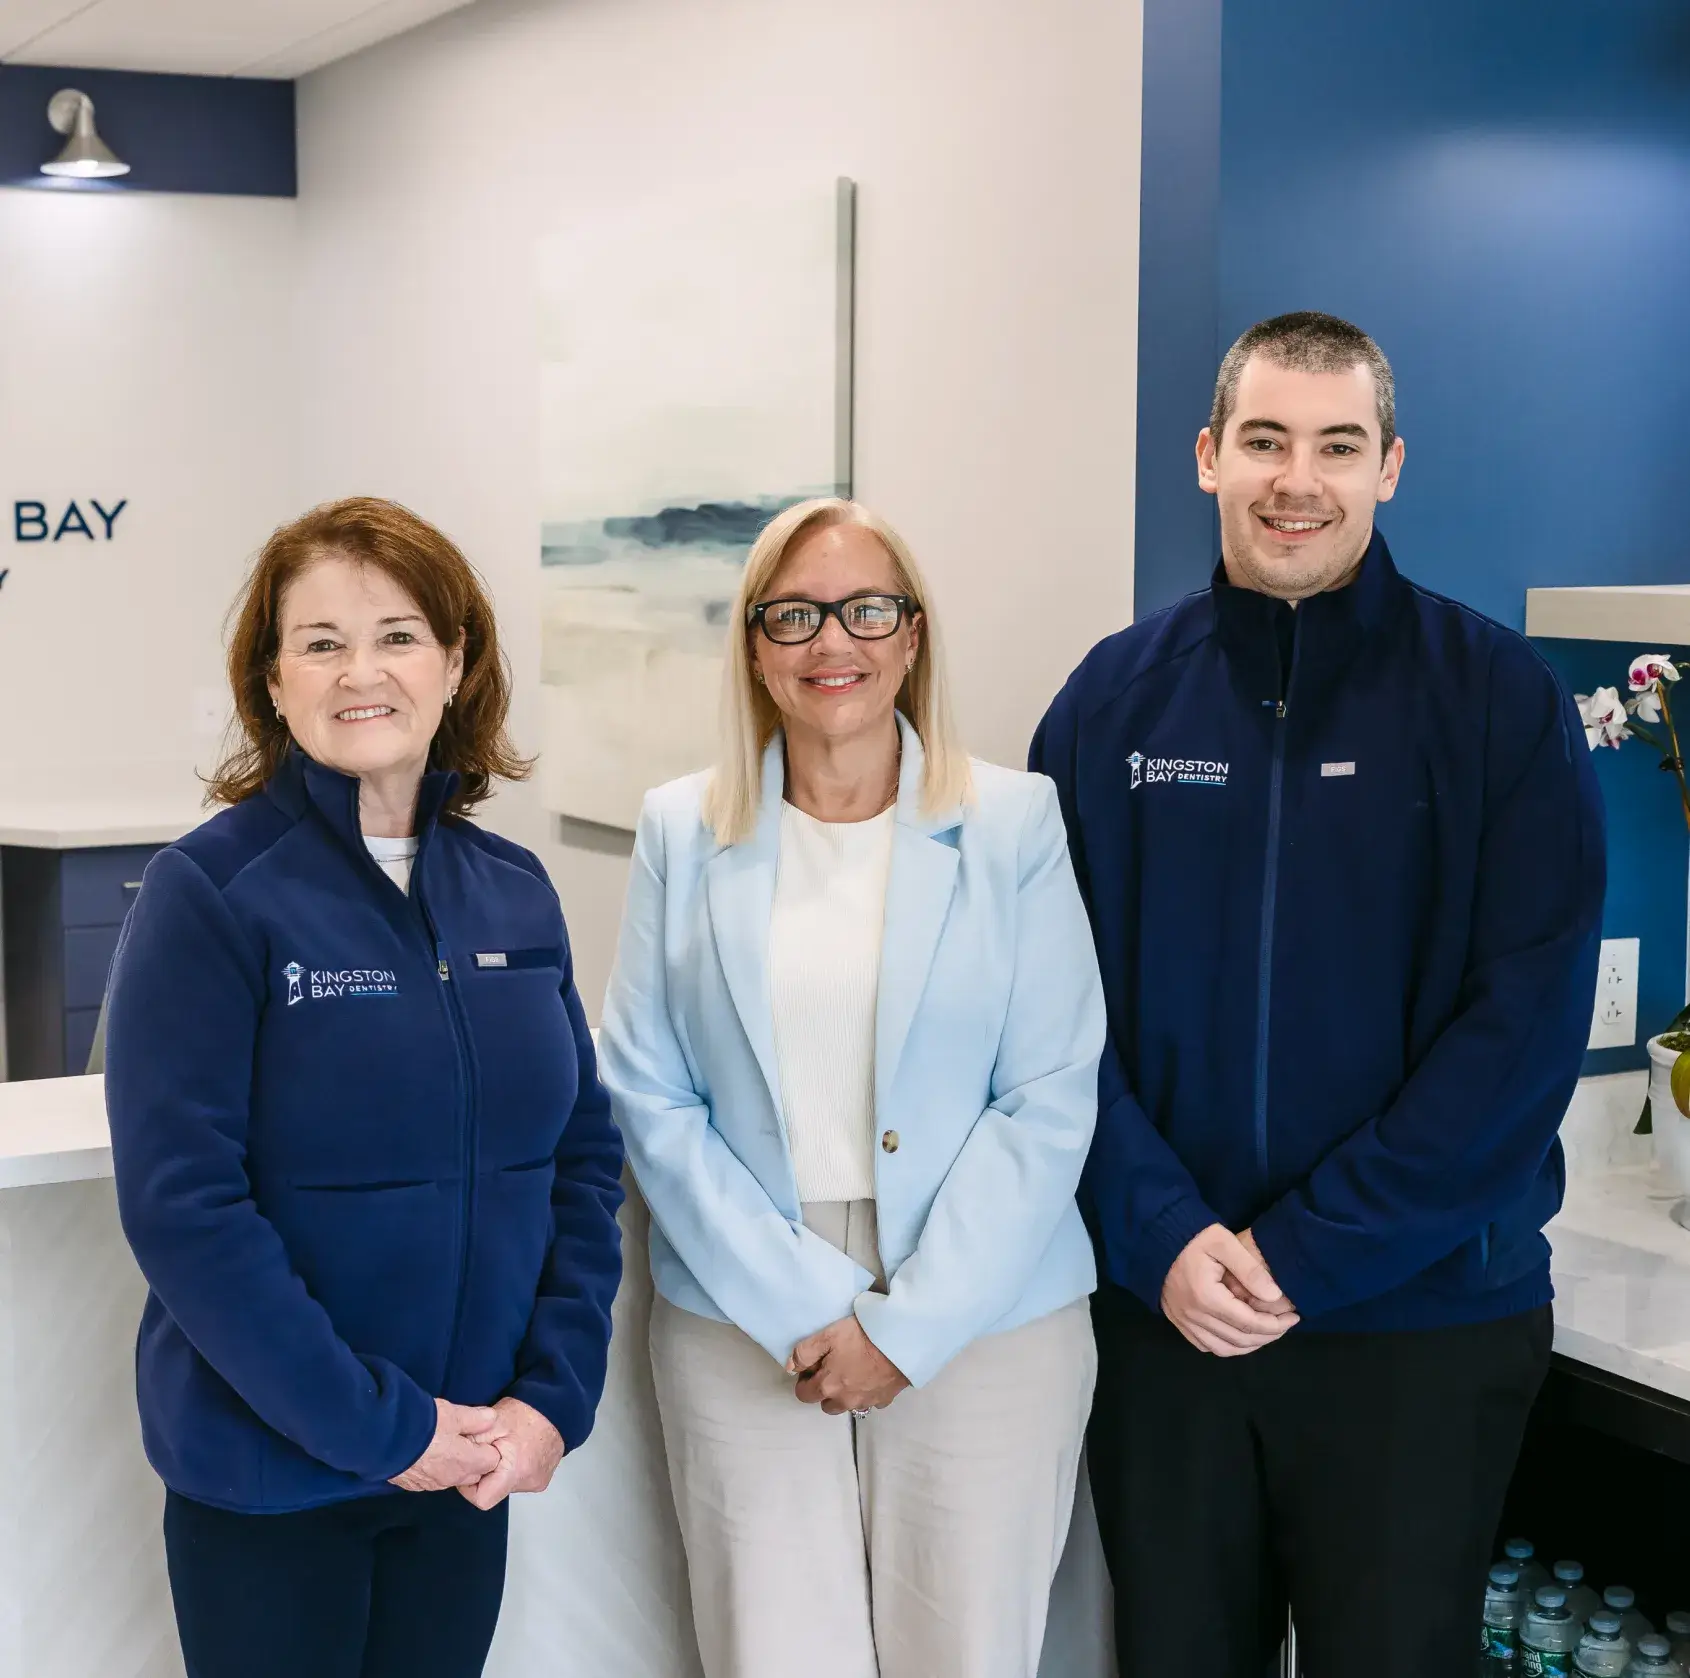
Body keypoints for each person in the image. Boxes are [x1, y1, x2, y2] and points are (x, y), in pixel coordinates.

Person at [1031, 312, 1605, 1678]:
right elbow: (1040, 1017)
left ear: (1389, 466)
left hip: (1420, 1323)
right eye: (1265, 440)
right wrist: (1162, 1232)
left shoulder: (1495, 700)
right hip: (1166, 1319)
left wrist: (1308, 1250)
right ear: (1205, 457)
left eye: (1337, 444)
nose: (1299, 477)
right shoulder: (1110, 705)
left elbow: (1520, 1028)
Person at [104, 497, 625, 1678]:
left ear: (457, 661)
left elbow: (581, 1165)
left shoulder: (515, 890)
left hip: (468, 1462)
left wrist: (550, 1397)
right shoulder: (213, 892)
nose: (360, 672)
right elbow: (185, 1207)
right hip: (274, 1476)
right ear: (272, 681)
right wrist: (383, 1428)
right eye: (320, 641)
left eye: (395, 634)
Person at [597, 497, 1104, 1678]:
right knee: (773, 1655)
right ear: (757, 650)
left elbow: (1048, 1090)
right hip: (744, 1309)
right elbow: (648, 1090)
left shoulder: (1011, 821)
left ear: (912, 636)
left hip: (987, 1306)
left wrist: (905, 1321)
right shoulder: (682, 829)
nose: (836, 642)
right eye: (797, 615)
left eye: (868, 609)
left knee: (964, 1654)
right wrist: (803, 1299)